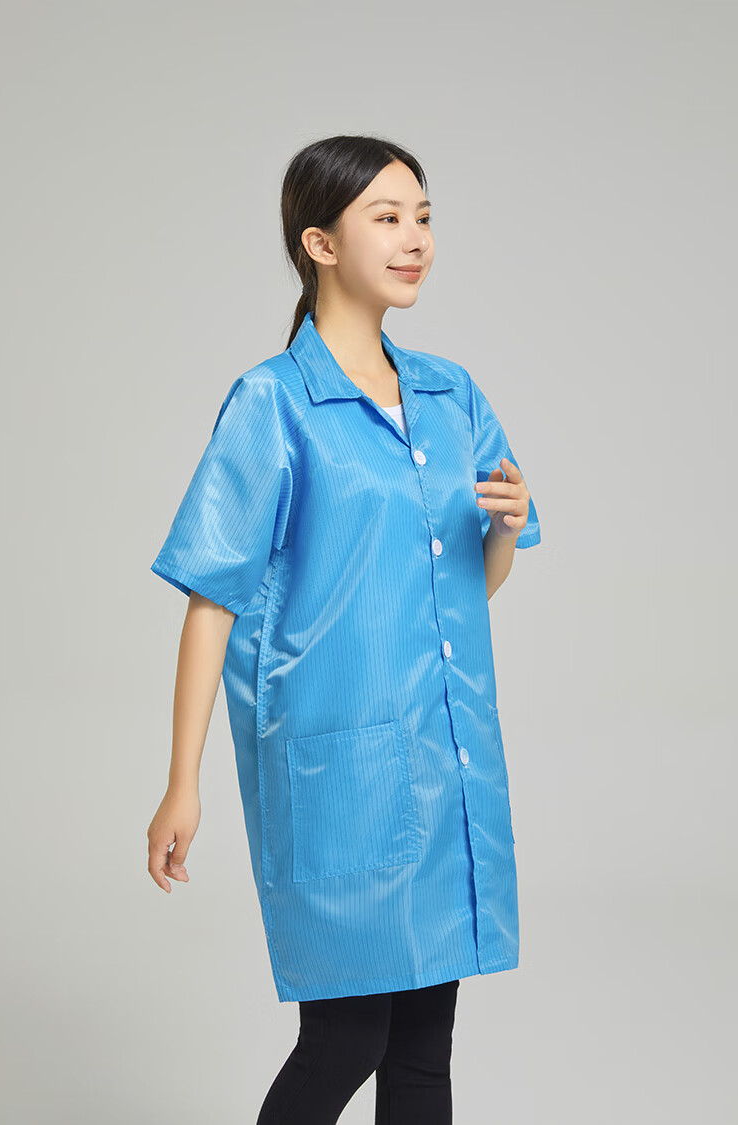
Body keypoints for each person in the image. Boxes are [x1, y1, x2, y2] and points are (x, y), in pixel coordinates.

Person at [147, 133, 541, 1124]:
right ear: (320, 244)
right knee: (346, 1039)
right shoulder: (272, 403)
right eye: (387, 217)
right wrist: (183, 782)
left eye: (424, 218)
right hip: (340, 775)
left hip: (444, 762)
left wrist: (505, 527)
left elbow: (462, 589)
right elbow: (212, 597)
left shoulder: (452, 395)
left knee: (422, 1052)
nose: (415, 239)